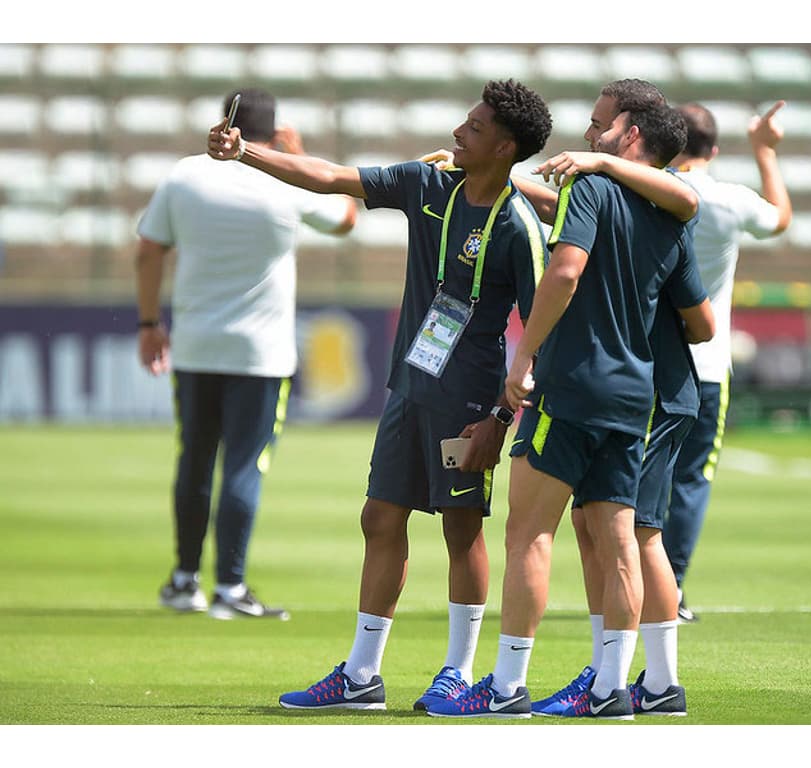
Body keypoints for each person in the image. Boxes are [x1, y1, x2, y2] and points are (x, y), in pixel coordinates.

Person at [207, 79, 553, 711]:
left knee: (460, 529)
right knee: (379, 518)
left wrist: (501, 419)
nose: (456, 132)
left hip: (469, 401)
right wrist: (245, 152)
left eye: (473, 128)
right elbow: (330, 177)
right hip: (409, 386)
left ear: (504, 147)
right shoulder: (426, 186)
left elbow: (539, 336)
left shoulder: (519, 226)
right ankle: (362, 675)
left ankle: (457, 672)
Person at [426, 82, 713, 720]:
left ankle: (504, 687)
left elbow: (565, 268)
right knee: (620, 538)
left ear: (629, 132)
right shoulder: (667, 212)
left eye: (598, 125)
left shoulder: (592, 186)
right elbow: (698, 314)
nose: (588, 135)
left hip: (575, 381)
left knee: (529, 534)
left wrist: (523, 356)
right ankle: (612, 686)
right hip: (635, 391)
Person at [137, 88, 358, 620]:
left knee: (194, 459)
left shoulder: (184, 175)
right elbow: (347, 217)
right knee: (243, 465)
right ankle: (230, 589)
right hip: (260, 354)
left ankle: (184, 580)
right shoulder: (284, 177)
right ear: (276, 131)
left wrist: (148, 323)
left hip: (194, 346)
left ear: (223, 122)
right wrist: (299, 153)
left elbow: (149, 249)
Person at [661, 100, 793, 623]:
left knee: (640, 473)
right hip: (708, 362)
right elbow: (780, 220)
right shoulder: (731, 201)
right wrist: (764, 150)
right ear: (714, 150)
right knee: (692, 477)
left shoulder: (642, 190)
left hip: (645, 361)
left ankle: (627, 582)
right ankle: (669, 588)